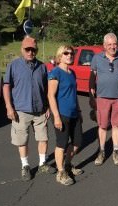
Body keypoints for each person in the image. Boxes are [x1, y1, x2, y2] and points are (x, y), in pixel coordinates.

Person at [3, 36, 56, 181]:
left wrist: (47, 107)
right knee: (22, 140)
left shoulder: (42, 66)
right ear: (22, 49)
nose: (30, 52)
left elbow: (46, 88)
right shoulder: (13, 66)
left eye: (33, 49)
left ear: (36, 50)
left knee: (43, 138)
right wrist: (9, 107)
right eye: (27, 49)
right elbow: (6, 86)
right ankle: (25, 166)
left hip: (40, 110)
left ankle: (42, 164)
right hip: (21, 111)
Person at [89, 33, 118, 166]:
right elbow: (92, 78)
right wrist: (91, 96)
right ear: (104, 46)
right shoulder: (96, 58)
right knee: (102, 125)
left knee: (117, 125)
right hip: (102, 98)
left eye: (114, 44)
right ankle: (101, 151)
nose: (113, 47)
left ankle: (116, 151)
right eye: (109, 45)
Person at [48, 45, 84, 186]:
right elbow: (51, 96)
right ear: (60, 56)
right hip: (61, 114)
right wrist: (56, 116)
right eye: (66, 53)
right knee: (61, 144)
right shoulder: (55, 72)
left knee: (77, 142)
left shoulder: (72, 73)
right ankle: (61, 172)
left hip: (74, 113)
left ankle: (68, 164)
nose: (69, 55)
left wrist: (79, 111)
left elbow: (74, 95)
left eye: (71, 53)